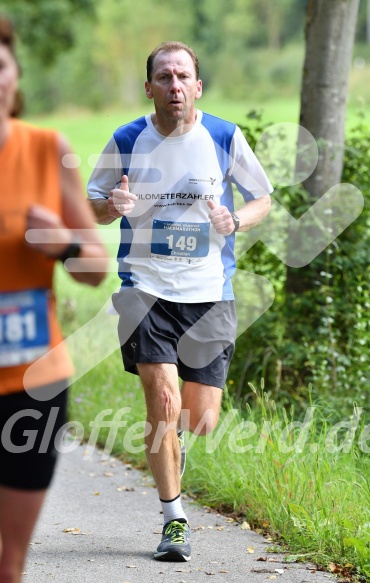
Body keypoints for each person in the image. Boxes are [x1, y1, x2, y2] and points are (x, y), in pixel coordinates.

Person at [88, 41, 272, 562]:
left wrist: (235, 220)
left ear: (197, 86)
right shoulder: (126, 140)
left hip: (210, 292)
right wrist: (110, 205)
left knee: (199, 418)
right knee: (162, 398)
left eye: (182, 76)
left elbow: (262, 197)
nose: (173, 86)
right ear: (148, 87)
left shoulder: (223, 136)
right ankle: (174, 520)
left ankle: (177, 447)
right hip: (144, 287)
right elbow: (92, 203)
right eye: (163, 77)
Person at [0, 16, 108, 583]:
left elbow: (95, 267)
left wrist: (62, 241)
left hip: (30, 384)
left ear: (15, 77)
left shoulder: (47, 150)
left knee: (8, 565)